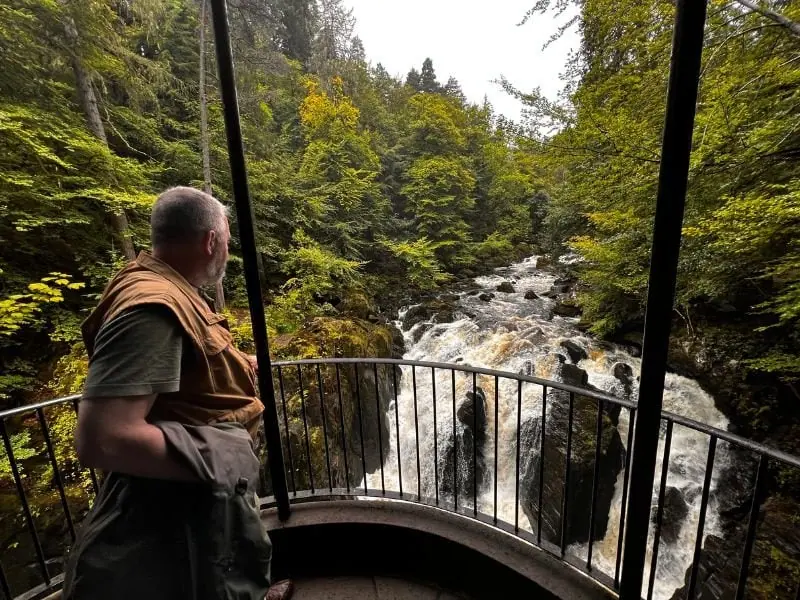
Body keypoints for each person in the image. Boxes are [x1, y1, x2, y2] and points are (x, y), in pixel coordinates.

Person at [64, 186, 293, 600]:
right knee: (204, 579)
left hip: (199, 491)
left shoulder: (164, 285)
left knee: (227, 565)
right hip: (185, 501)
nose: (227, 248)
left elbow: (190, 363)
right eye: (226, 240)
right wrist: (225, 457)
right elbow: (102, 438)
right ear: (210, 241)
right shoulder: (153, 307)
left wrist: (240, 363)